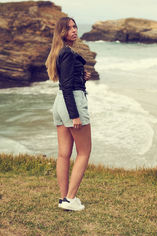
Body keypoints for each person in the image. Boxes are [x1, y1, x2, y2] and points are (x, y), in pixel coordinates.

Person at [45, 17, 92, 211]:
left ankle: (64, 198)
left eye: (75, 27)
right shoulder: (68, 53)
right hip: (71, 102)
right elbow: (66, 86)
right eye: (69, 28)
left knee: (64, 154)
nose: (74, 30)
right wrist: (75, 115)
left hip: (60, 103)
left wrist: (82, 78)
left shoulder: (61, 52)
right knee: (84, 152)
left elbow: (67, 81)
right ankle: (71, 199)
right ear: (62, 32)